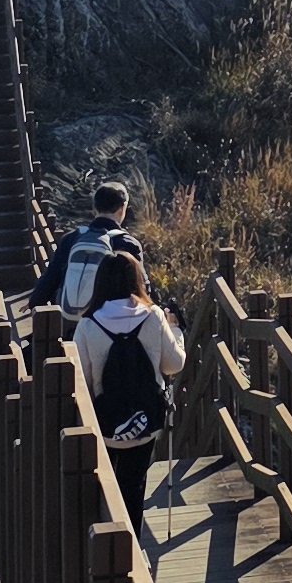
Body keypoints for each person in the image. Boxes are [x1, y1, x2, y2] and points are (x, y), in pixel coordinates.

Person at [75, 251, 184, 524]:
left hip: (105, 424)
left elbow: (82, 381)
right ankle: (132, 540)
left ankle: (103, 537)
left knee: (102, 487)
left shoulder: (87, 325)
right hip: (144, 422)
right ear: (136, 280)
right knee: (134, 485)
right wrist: (176, 331)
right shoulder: (154, 316)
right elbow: (174, 364)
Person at [32, 182, 146, 317]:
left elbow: (51, 277)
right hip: (109, 323)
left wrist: (34, 303)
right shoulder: (128, 244)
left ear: (94, 209)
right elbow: (141, 288)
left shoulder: (72, 238)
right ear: (122, 209)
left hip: (72, 320)